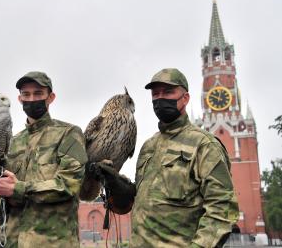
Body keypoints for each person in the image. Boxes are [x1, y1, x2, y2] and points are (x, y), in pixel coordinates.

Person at [95, 68, 239, 247]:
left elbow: (222, 210)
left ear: (185, 98)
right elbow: (137, 202)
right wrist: (116, 185)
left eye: (168, 92)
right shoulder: (149, 146)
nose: (160, 98)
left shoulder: (204, 145)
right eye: (156, 94)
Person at [0, 71, 88, 248]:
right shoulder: (13, 142)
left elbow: (69, 185)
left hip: (53, 242)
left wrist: (18, 188)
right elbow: (3, 198)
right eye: (26, 94)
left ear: (50, 97)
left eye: (38, 93)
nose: (31, 99)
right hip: (14, 241)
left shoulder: (69, 134)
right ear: (19, 99)